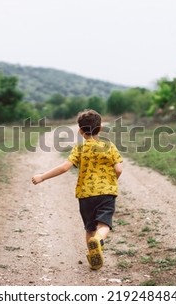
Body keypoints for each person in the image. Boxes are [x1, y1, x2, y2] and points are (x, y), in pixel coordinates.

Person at [31, 109, 123, 270]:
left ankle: (93, 255)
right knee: (104, 225)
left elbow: (64, 167)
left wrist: (42, 176)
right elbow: (119, 169)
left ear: (80, 131)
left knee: (90, 228)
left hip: (86, 195)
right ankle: (99, 240)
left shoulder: (79, 149)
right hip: (107, 193)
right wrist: (111, 181)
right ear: (100, 128)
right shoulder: (109, 146)